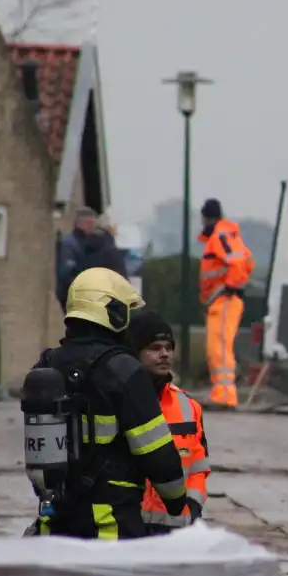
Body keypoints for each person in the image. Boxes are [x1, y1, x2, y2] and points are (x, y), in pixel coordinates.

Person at [29, 267, 189, 539]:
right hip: (109, 523)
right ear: (114, 313)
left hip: (54, 521)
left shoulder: (47, 365)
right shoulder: (125, 370)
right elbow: (157, 453)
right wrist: (176, 500)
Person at [128, 307, 210, 534]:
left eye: (169, 348)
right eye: (155, 348)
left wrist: (192, 507)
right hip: (128, 528)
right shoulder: (121, 402)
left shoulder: (188, 406)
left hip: (175, 529)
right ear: (135, 353)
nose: (165, 354)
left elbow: (198, 467)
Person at [197, 198, 255, 408]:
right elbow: (247, 260)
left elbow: (239, 261)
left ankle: (224, 395)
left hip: (225, 299)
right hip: (222, 300)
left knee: (219, 347)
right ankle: (222, 393)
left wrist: (230, 285)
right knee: (217, 348)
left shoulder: (221, 236)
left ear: (205, 217)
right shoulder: (224, 235)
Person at [56, 207, 98, 312]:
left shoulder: (87, 242)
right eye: (90, 223)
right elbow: (66, 271)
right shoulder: (70, 243)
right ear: (80, 223)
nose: (93, 227)